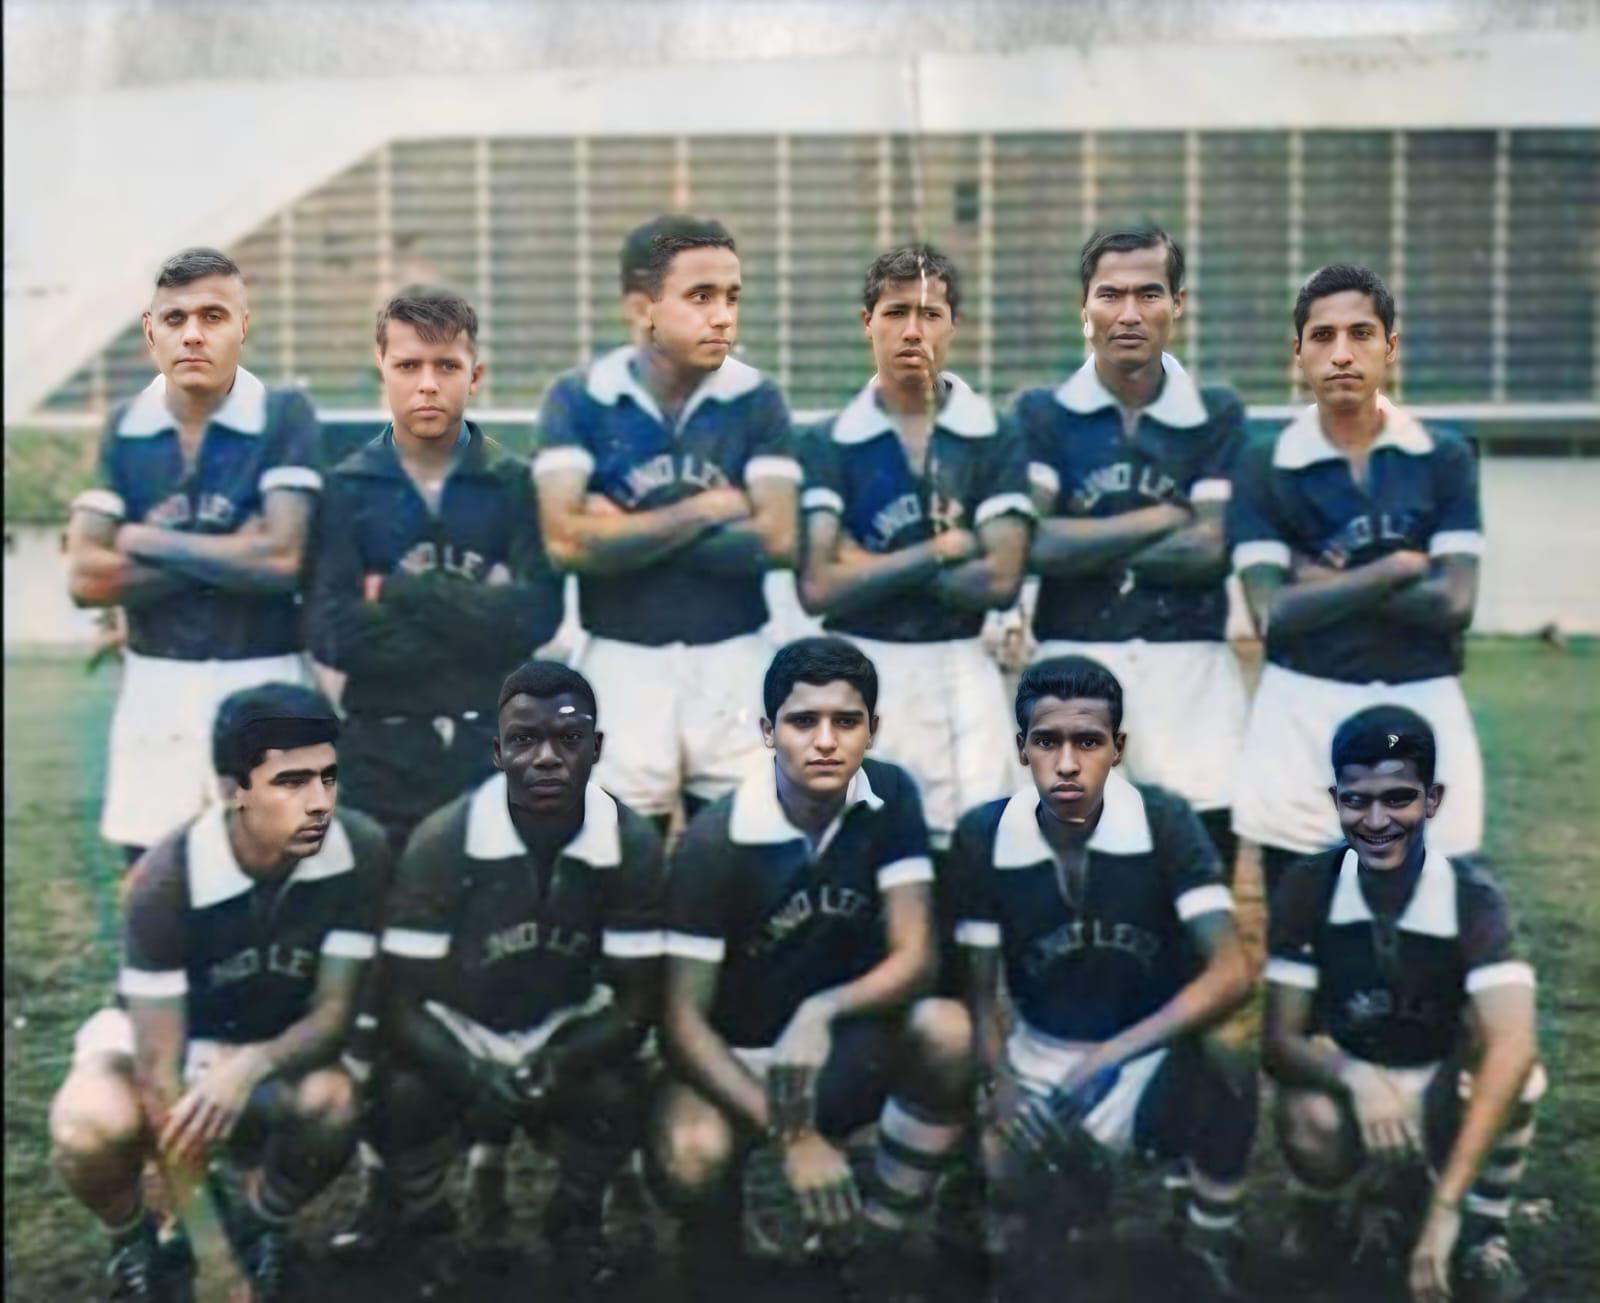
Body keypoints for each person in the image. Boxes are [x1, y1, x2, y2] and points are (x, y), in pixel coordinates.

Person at [48, 683, 387, 1301]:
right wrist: (212, 1262)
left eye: (328, 778)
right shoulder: (164, 879)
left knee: (333, 1103)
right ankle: (135, 1239)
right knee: (88, 1125)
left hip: (270, 1041)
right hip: (163, 1042)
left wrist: (251, 1065)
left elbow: (333, 1015)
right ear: (233, 790)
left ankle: (259, 1225)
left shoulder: (358, 849)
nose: (319, 804)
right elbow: (157, 1071)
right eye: (292, 783)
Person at [653, 637, 972, 1293]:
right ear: (769, 732)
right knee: (691, 1154)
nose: (826, 740)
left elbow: (918, 956)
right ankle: (721, 1240)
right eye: (803, 721)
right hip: (738, 1058)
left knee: (948, 1031)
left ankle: (877, 1232)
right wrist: (792, 1135)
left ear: (873, 729)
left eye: (846, 721)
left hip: (836, 1045)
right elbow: (682, 1022)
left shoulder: (890, 794)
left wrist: (823, 1008)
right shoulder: (718, 839)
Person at [345, 661, 665, 1287]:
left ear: (597, 748)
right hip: (458, 1020)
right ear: (495, 750)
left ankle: (575, 1221)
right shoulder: (446, 838)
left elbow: (637, 1000)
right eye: (524, 739)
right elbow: (400, 1002)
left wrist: (567, 1057)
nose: (546, 757)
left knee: (614, 1091)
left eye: (568, 739)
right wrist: (465, 1070)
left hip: (562, 1018)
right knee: (405, 1092)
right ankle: (429, 1225)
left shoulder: (628, 839)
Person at [949, 655, 1258, 1298]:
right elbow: (978, 992)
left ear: (1116, 749)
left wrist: (1114, 1053)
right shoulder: (983, 834)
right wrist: (1001, 1084)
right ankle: (1047, 1202)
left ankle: (1209, 1236)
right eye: (1047, 741)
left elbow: (1233, 970)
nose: (1067, 762)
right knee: (1022, 1200)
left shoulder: (1164, 821)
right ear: (1021, 748)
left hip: (1141, 1055)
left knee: (1228, 1053)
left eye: (1087, 741)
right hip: (1042, 1054)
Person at [1263, 705, 1542, 1303]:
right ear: (1335, 799)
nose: (1377, 820)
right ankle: (1327, 1211)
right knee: (1308, 1115)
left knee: (1515, 1075)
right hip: (1353, 1071)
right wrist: (1354, 1076)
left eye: (1398, 798)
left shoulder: (1472, 895)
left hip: (1441, 1078)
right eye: (1357, 800)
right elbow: (1278, 1040)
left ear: (1433, 800)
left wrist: (1445, 1212)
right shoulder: (1309, 884)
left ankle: (1478, 1231)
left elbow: (1514, 1043)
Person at [533, 215, 799, 829]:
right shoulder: (579, 398)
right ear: (640, 308)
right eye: (699, 297)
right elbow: (565, 540)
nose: (723, 316)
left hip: (734, 655)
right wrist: (705, 510)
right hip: (623, 658)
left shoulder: (757, 397)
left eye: (732, 297)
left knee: (743, 846)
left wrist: (623, 530)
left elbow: (778, 539)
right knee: (624, 853)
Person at [1230, 264, 1486, 896]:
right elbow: (1273, 616)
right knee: (1303, 910)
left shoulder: (1443, 456)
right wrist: (1398, 568)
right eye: (1322, 337)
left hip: (1423, 701)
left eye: (1361, 333)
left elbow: (1455, 603)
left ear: (1389, 347)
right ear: (1298, 353)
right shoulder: (1267, 463)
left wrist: (1320, 581)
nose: (1341, 354)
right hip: (1303, 706)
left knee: (1436, 904)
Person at [65, 248, 321, 864]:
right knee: (156, 873)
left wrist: (145, 540)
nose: (194, 335)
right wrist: (234, 553)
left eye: (213, 315)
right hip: (158, 683)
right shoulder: (125, 425)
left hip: (266, 673)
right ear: (152, 332)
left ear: (243, 325)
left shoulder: (283, 413)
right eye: (175, 319)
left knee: (275, 871)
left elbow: (282, 559)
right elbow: (85, 577)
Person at [1013, 227, 1247, 871]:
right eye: (1109, 294)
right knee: (1073, 857)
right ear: (1082, 307)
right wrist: (1165, 517)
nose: (1129, 313)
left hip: (1190, 666)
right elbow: (1031, 544)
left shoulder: (1217, 412)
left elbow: (1212, 548)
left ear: (1179, 303)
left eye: (1149, 294)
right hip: (1073, 660)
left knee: (1202, 852)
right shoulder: (1042, 413)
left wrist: (1083, 542)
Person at [307, 289, 563, 854]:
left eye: (446, 366)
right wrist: (476, 619)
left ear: (475, 375)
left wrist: (400, 591)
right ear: (382, 370)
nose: (427, 383)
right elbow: (332, 632)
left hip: (493, 745)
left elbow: (537, 617)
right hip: (382, 747)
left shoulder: (512, 483)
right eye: (408, 366)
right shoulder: (346, 489)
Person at [796, 243, 1033, 851]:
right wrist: (945, 549)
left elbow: (1001, 578)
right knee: (863, 846)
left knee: (970, 849)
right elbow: (820, 586)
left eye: (930, 314)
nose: (912, 330)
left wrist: (867, 566)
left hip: (962, 664)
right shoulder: (829, 441)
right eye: (896, 311)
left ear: (953, 324)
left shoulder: (992, 434)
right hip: (859, 667)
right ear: (866, 321)